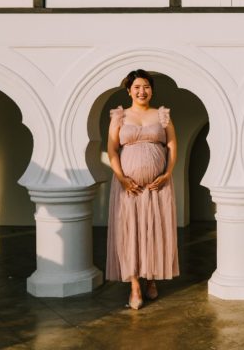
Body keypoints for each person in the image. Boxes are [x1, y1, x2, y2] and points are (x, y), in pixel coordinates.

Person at [106, 69, 179, 309]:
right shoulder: (120, 116)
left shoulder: (162, 115)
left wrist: (167, 173)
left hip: (158, 187)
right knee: (131, 233)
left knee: (153, 231)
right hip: (129, 188)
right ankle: (135, 285)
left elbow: (171, 145)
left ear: (151, 90)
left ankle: (151, 278)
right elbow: (113, 150)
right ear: (129, 90)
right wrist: (122, 178)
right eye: (137, 87)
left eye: (146, 86)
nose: (142, 91)